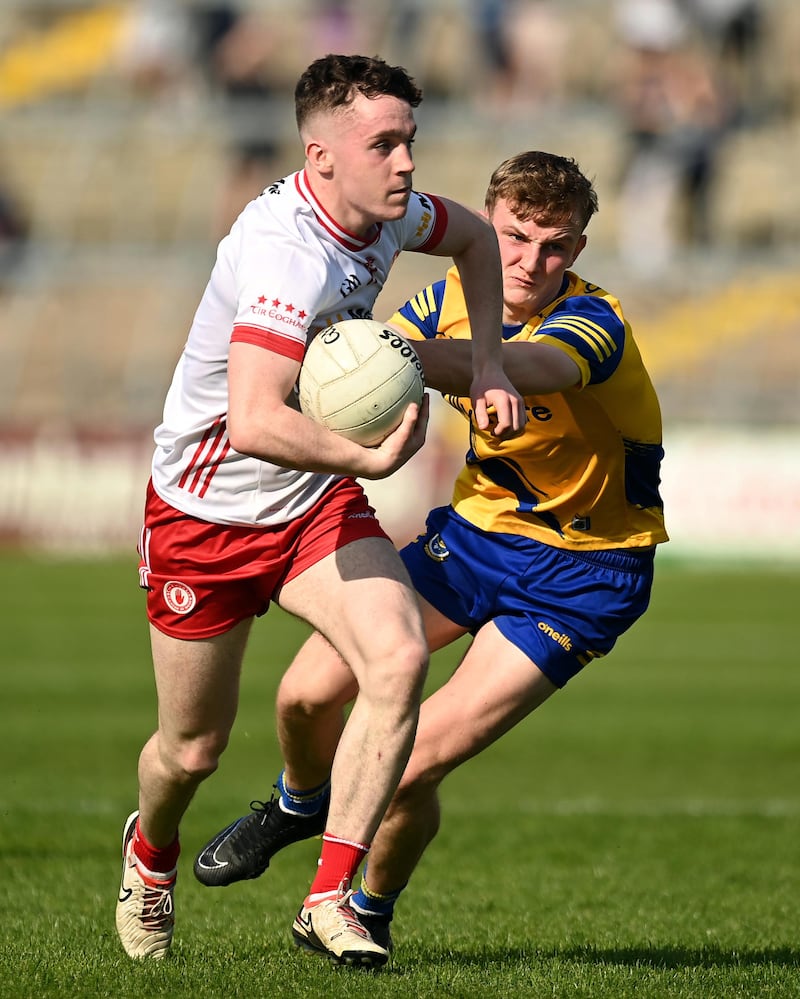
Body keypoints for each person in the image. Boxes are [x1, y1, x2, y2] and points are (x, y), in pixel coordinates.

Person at [192, 150, 669, 953]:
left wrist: (384, 355)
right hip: (475, 537)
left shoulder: (597, 322)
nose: (530, 261)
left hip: (585, 574)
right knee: (304, 695)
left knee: (406, 762)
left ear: (578, 250)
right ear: (489, 227)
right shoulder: (442, 299)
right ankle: (300, 800)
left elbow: (523, 365)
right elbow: (355, 392)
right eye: (513, 238)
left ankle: (365, 905)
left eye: (554, 246)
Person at [115, 53, 525, 968]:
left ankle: (328, 897)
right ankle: (151, 855)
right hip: (206, 511)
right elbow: (256, 421)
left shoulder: (380, 211)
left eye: (409, 141)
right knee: (190, 751)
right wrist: (373, 456)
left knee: (397, 653)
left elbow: (476, 241)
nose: (407, 162)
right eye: (385, 143)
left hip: (309, 499)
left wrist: (491, 361)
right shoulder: (285, 256)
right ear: (321, 156)